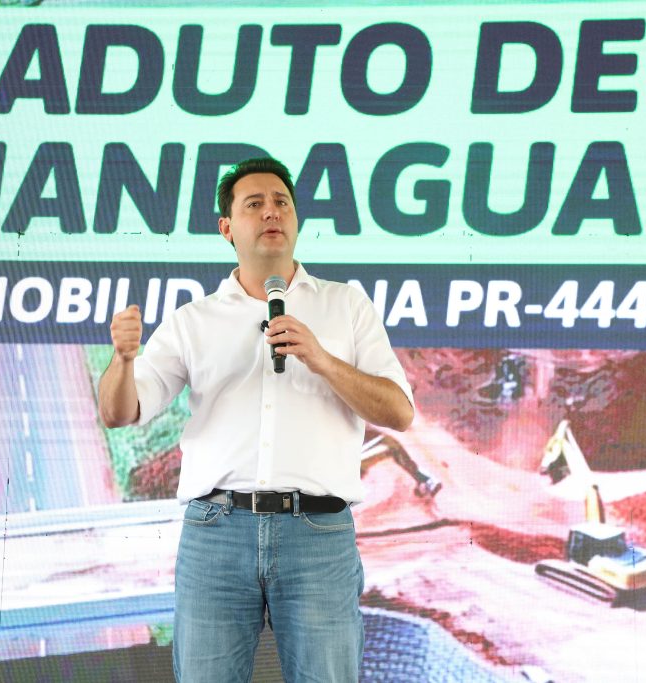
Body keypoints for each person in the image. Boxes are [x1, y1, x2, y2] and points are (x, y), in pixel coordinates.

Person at [98, 157, 415, 682]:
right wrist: (124, 359)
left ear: (296, 219)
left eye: (281, 202)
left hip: (318, 534)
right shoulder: (193, 320)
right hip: (216, 534)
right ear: (227, 228)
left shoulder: (346, 306)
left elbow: (399, 411)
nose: (272, 212)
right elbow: (120, 411)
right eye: (254, 204)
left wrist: (321, 358)